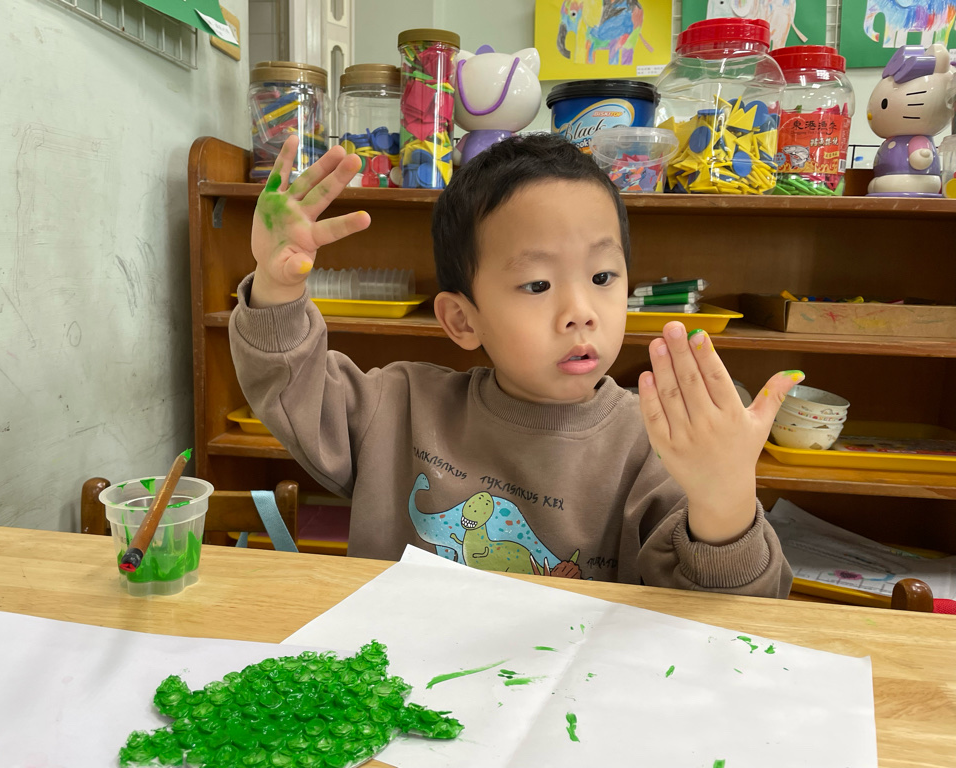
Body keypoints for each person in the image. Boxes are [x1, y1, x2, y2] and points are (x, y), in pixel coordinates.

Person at [230, 132, 795, 597]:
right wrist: (277, 287)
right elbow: (293, 389)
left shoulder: (659, 444)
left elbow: (730, 618)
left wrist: (724, 500)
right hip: (396, 680)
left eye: (602, 277)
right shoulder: (397, 407)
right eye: (537, 284)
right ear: (462, 320)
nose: (580, 312)